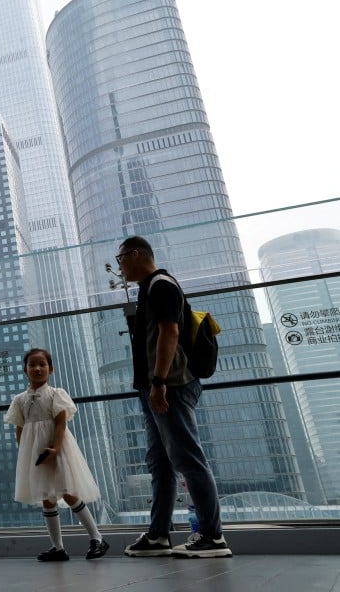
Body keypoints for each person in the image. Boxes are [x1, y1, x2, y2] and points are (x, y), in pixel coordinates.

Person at [116, 236, 232, 558]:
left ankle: (212, 536)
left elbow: (171, 332)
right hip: (157, 386)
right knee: (160, 463)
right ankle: (158, 536)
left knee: (188, 460)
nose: (120, 265)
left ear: (136, 254)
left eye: (121, 258)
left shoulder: (161, 284)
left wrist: (159, 382)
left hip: (171, 386)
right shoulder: (149, 287)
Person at [5, 348, 108, 562]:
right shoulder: (20, 400)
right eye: (32, 365)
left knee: (68, 492)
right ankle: (58, 547)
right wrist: (24, 454)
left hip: (57, 449)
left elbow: (60, 425)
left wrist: (56, 448)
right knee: (47, 497)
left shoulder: (56, 394)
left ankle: (97, 538)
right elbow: (20, 429)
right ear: (25, 370)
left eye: (42, 364)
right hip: (36, 453)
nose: (37, 368)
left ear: (51, 369)